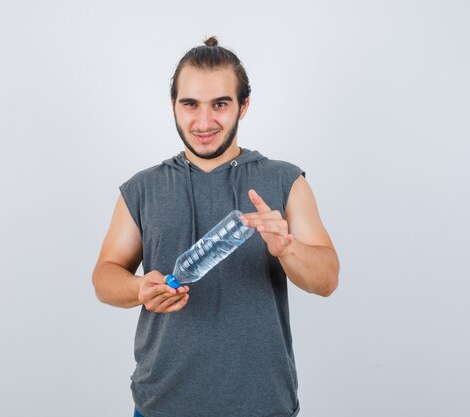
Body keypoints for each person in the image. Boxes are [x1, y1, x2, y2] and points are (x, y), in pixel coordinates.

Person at [92, 36, 339, 417]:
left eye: (220, 104)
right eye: (190, 104)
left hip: (263, 405)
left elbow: (327, 281)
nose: (204, 121)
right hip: (161, 405)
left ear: (244, 106)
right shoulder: (142, 188)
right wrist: (138, 287)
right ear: (173, 105)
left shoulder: (286, 181)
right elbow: (104, 277)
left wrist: (287, 248)